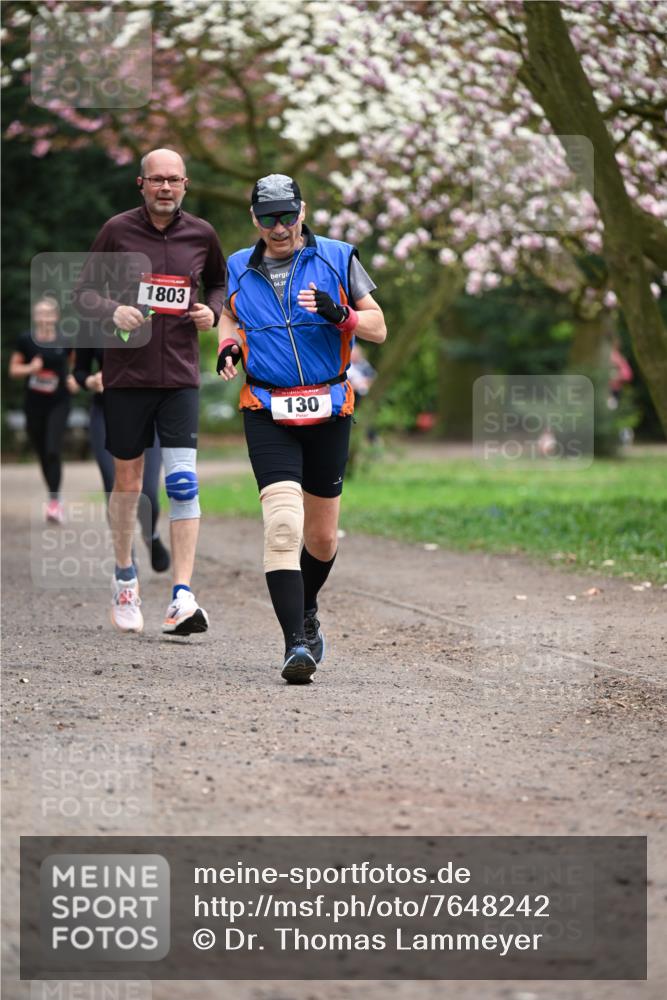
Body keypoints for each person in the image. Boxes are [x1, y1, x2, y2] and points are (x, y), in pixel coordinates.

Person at [217, 174, 386, 683]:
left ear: (303, 210)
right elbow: (228, 315)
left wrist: (344, 317)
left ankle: (306, 608)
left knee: (321, 537)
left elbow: (378, 326)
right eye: (268, 217)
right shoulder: (237, 268)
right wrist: (228, 344)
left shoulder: (338, 256)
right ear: (255, 219)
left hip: (329, 407)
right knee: (283, 524)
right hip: (267, 407)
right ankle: (296, 645)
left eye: (288, 215)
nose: (280, 227)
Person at [75, 148, 226, 635]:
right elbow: (83, 293)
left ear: (185, 185)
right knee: (129, 485)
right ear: (141, 184)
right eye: (157, 179)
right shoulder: (116, 230)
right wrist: (111, 310)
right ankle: (125, 578)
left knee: (183, 482)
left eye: (174, 180)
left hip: (180, 376)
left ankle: (182, 594)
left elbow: (219, 284)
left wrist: (212, 311)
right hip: (128, 376)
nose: (166, 187)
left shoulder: (202, 233)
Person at [71, 347, 170, 572]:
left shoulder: (151, 315)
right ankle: (126, 562)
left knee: (149, 493)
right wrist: (90, 381)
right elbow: (79, 370)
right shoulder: (95, 318)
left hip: (148, 412)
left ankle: (150, 534)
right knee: (115, 485)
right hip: (105, 413)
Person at [8, 297, 74, 522]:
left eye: (48, 314)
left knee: (53, 450)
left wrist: (73, 379)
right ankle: (54, 495)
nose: (44, 318)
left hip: (59, 403)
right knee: (42, 453)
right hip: (34, 405)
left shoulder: (65, 340)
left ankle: (54, 503)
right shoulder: (26, 340)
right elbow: (14, 370)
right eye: (40, 313)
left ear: (55, 317)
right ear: (35, 317)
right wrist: (30, 369)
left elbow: (75, 365)